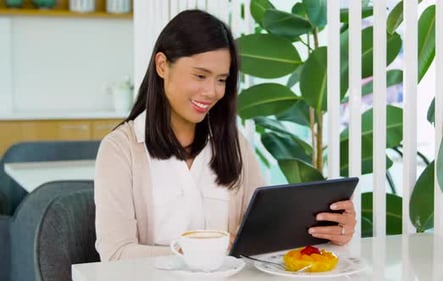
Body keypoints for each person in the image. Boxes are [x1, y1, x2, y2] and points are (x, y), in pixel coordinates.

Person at [94, 9, 356, 261]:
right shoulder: (121, 149)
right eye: (200, 75)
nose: (211, 91)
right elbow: (116, 254)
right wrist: (204, 250)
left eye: (221, 80)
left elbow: (264, 232)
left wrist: (330, 231)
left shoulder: (233, 144)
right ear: (162, 66)